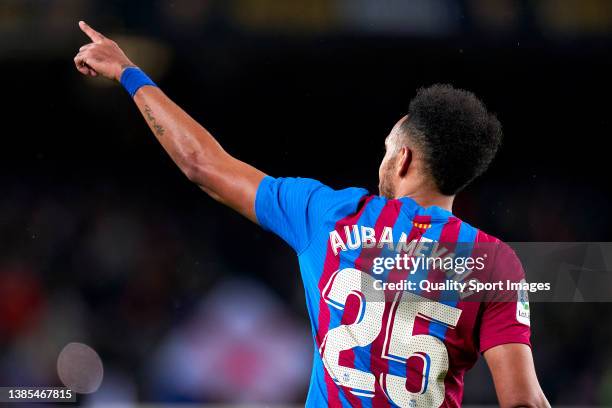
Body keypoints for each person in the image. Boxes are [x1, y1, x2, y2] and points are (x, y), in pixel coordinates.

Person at [73, 21, 550, 408]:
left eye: (387, 150)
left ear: (402, 160)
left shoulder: (329, 214)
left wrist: (128, 72)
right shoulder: (494, 263)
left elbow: (202, 164)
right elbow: (523, 402)